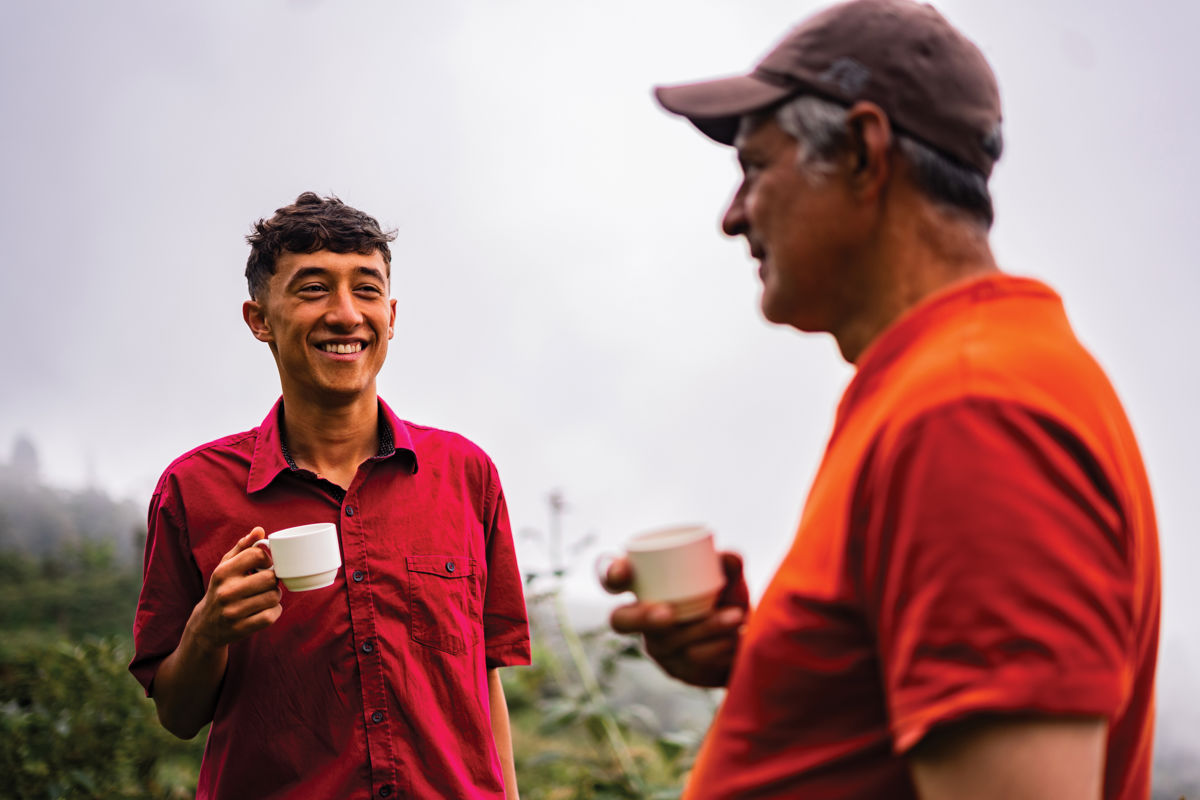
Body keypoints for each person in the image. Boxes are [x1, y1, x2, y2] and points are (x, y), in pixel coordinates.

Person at [602, 1, 1160, 798]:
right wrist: (774, 659)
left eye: (757, 167)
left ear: (864, 153)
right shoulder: (967, 378)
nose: (732, 218)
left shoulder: (971, 415)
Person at [130, 192, 530, 799]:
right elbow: (179, 716)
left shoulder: (465, 474)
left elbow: (484, 680)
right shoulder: (194, 490)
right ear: (259, 318)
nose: (346, 315)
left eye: (366, 290)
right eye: (313, 289)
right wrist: (207, 631)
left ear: (391, 315)